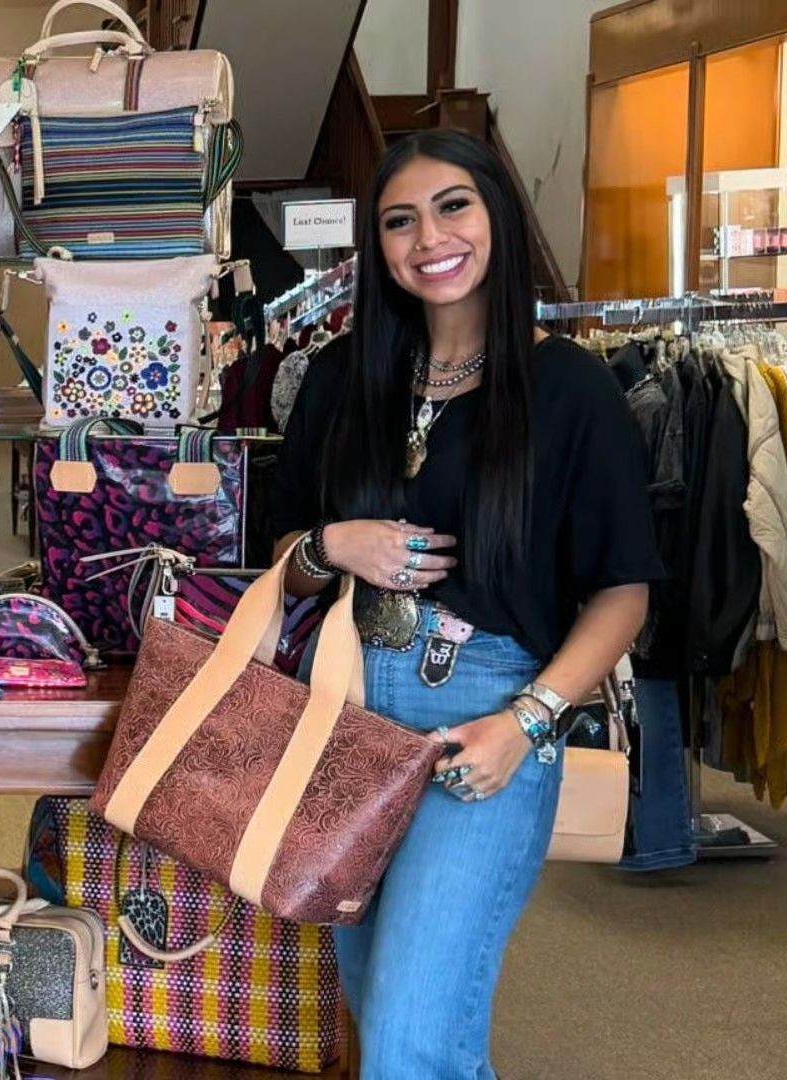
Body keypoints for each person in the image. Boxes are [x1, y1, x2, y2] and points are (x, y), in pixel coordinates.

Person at [272, 128, 662, 1079]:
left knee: (409, 1038)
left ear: (498, 218)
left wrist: (528, 722)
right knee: (389, 1021)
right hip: (342, 711)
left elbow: (623, 591)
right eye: (399, 220)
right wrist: (334, 545)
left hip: (481, 717)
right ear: (377, 245)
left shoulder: (568, 389)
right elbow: (278, 562)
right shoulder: (341, 378)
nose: (429, 238)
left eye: (454, 207)